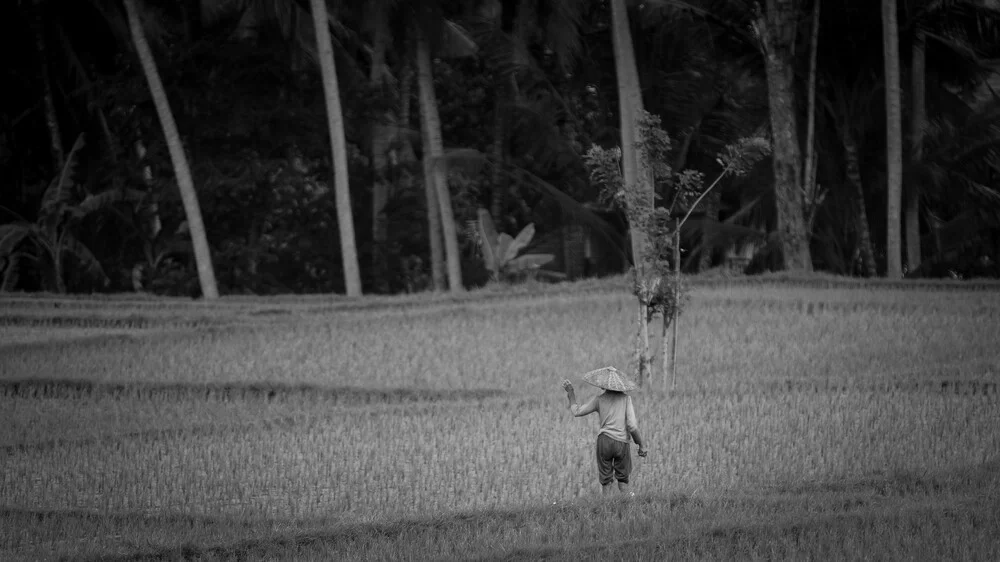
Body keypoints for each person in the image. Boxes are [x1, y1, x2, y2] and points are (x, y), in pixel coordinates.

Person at [562, 366, 647, 495]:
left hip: (604, 442)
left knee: (606, 482)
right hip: (621, 443)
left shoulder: (599, 399)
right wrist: (641, 445)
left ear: (602, 386)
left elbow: (577, 412)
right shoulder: (626, 399)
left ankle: (606, 508)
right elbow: (632, 426)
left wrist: (571, 393)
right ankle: (626, 509)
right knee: (623, 482)